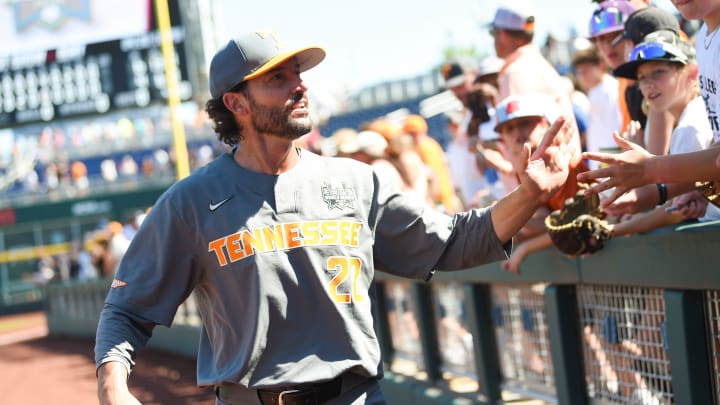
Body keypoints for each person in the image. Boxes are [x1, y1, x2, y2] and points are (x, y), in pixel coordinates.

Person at [94, 30, 575, 405]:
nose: (299, 85)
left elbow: (454, 242)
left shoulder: (355, 182)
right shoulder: (191, 203)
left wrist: (529, 194)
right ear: (236, 104)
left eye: (298, 73)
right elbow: (126, 311)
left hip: (356, 397)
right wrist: (113, 387)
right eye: (276, 78)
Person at [579, 0, 720, 205]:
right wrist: (698, 186)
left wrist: (650, 171)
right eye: (642, 77)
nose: (608, 45)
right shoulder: (705, 40)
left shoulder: (688, 121)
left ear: (690, 73)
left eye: (659, 72)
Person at [491, 94, 590, 274]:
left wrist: (526, 248)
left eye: (524, 123)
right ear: (502, 138)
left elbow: (577, 225)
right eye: (508, 128)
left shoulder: (563, 162)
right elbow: (544, 221)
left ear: (543, 124)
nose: (517, 132)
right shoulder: (527, 168)